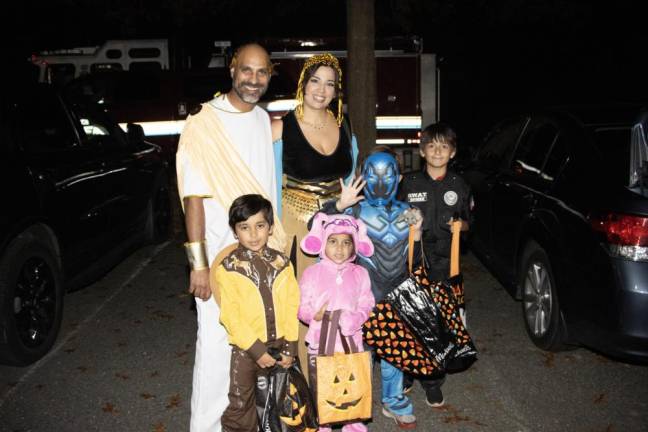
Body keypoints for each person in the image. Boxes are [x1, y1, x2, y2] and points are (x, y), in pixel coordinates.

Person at [176, 43, 286, 432]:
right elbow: (193, 199)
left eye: (262, 73)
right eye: (246, 71)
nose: (253, 80)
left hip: (262, 253)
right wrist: (199, 266)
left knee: (252, 347)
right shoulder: (204, 122)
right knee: (216, 349)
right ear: (232, 69)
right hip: (221, 260)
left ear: (270, 75)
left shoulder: (261, 118)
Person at [320, 148, 422, 429]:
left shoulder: (408, 212)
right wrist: (339, 205)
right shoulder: (354, 210)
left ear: (399, 177)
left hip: (397, 289)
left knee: (393, 349)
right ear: (363, 177)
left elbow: (416, 256)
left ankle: (393, 399)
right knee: (360, 351)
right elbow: (315, 225)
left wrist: (419, 231)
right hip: (363, 290)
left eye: (388, 173)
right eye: (373, 174)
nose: (381, 180)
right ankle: (354, 401)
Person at [271, 52, 359, 376]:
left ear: (337, 91)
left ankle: (336, 383)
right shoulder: (281, 126)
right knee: (305, 305)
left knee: (339, 302)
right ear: (303, 84)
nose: (321, 90)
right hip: (297, 228)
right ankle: (303, 384)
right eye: (315, 81)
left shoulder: (344, 125)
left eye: (330, 84)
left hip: (337, 229)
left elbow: (351, 175)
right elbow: (258, 174)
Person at [398, 122, 472, 408]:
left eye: (444, 146)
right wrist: (410, 222)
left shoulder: (459, 185)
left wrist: (460, 226)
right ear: (422, 151)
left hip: (444, 264)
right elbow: (397, 218)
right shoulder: (410, 182)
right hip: (413, 261)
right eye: (432, 146)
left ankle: (432, 380)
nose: (438, 151)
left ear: (452, 153)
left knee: (437, 326)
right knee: (412, 319)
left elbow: (468, 223)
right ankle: (406, 373)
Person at [212, 194, 299, 432]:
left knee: (282, 400)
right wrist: (257, 351)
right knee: (241, 403)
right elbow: (231, 317)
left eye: (260, 226)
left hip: (281, 346)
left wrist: (290, 347)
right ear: (234, 231)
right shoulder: (228, 269)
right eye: (244, 227)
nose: (253, 234)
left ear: (270, 228)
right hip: (246, 350)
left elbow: (292, 306)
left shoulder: (283, 264)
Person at [298, 213, 375, 432]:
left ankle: (354, 421)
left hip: (351, 339)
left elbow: (367, 303)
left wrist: (356, 318)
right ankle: (324, 423)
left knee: (352, 383)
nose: (339, 248)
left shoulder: (360, 273)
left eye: (346, 242)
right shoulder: (312, 273)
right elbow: (302, 307)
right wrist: (314, 314)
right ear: (323, 242)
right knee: (325, 385)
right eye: (333, 241)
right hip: (322, 341)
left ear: (354, 246)